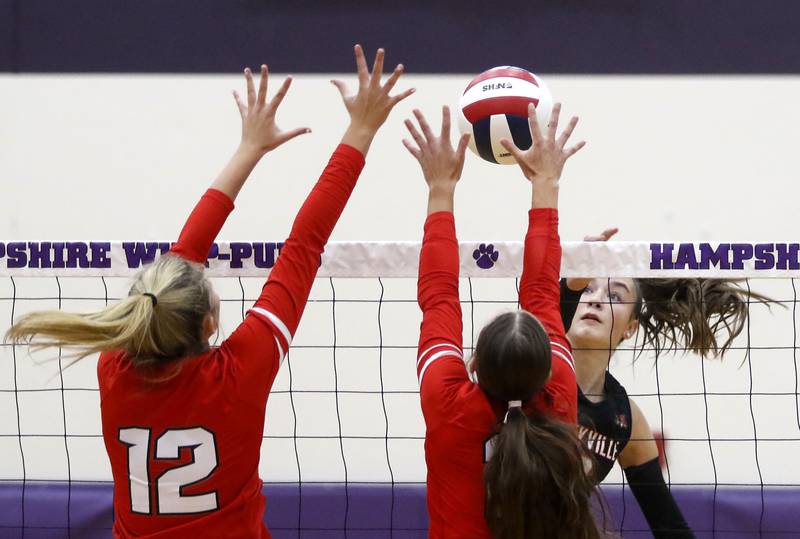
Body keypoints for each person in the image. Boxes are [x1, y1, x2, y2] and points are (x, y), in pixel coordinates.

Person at [6, 45, 413, 538]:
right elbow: (304, 243)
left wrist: (260, 147)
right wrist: (359, 130)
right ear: (208, 325)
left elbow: (243, 252)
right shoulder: (233, 374)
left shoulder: (116, 369)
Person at [404, 102, 606, 538]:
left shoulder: (454, 404)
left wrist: (441, 188)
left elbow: (439, 297)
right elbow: (540, 293)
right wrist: (545, 183)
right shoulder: (557, 399)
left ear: (474, 363)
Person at [562, 243, 769, 538]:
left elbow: (668, 524)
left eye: (614, 295)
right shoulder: (529, 373)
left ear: (630, 328)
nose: (595, 300)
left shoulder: (625, 418)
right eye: (586, 289)